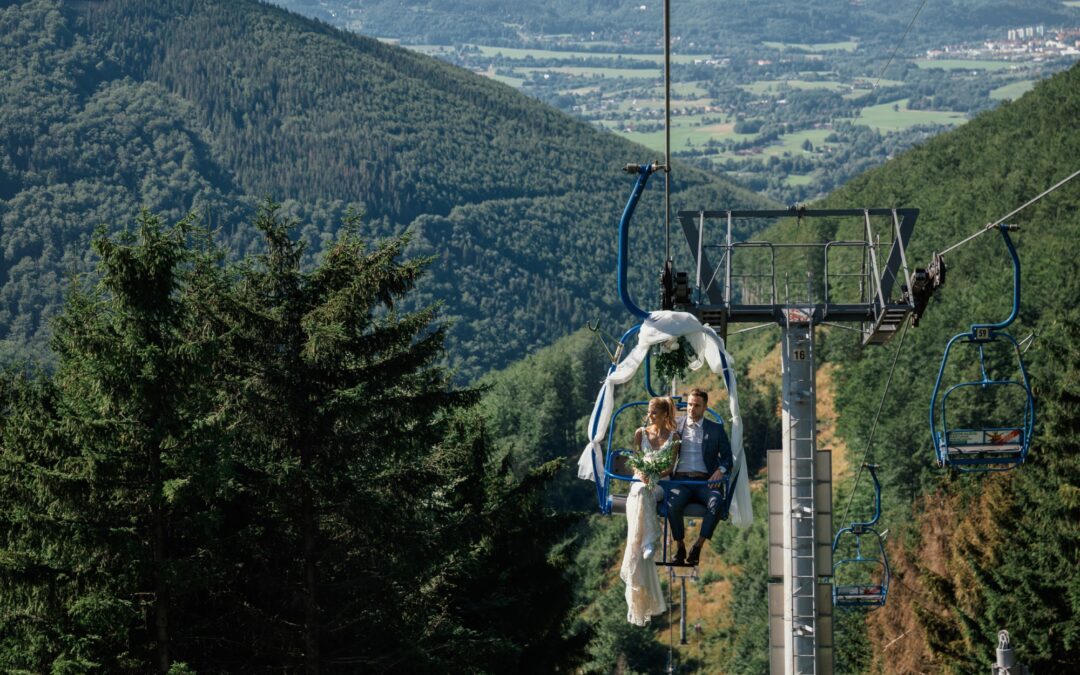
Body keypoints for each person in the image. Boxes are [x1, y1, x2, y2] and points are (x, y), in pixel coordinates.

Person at [621, 396, 679, 625]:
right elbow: (635, 460)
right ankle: (648, 541)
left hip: (660, 484)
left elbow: (670, 467)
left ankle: (645, 543)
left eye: (655, 413)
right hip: (640, 481)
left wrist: (655, 475)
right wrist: (642, 472)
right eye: (649, 412)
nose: (650, 417)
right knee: (639, 492)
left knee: (644, 493)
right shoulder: (640, 433)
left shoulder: (674, 438)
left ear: (665, 414)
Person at [665, 388, 733, 566]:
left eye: (696, 406)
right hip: (681, 481)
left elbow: (727, 457)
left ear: (704, 408)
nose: (691, 409)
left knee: (717, 502)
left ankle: (697, 546)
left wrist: (721, 470)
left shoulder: (715, 429)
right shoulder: (675, 426)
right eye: (689, 404)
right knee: (672, 504)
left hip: (705, 482)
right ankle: (680, 546)